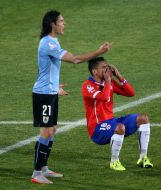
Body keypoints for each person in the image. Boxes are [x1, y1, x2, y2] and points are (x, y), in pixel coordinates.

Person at [31, 10, 112, 184]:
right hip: (43, 95)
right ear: (53, 24)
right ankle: (36, 173)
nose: (64, 23)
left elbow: (47, 69)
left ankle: (44, 168)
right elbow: (74, 59)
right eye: (61, 21)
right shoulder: (48, 44)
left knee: (51, 130)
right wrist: (98, 52)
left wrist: (55, 86)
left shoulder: (53, 41)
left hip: (50, 91)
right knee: (45, 132)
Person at [81, 57, 153, 171]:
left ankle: (143, 158)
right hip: (97, 129)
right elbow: (104, 97)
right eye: (103, 67)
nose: (107, 69)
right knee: (120, 128)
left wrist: (118, 76)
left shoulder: (109, 83)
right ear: (95, 71)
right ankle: (114, 162)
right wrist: (109, 81)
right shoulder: (88, 85)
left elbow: (131, 93)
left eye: (107, 67)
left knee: (143, 119)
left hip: (111, 122)